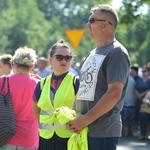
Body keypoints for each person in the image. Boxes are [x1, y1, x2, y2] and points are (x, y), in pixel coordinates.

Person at [66, 4, 130, 150]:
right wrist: (74, 116)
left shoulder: (117, 52)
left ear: (105, 25)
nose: (88, 24)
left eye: (92, 20)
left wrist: (84, 120)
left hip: (103, 132)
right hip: (84, 129)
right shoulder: (92, 53)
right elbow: (83, 88)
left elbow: (114, 93)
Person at [32, 39, 79, 150]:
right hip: (45, 138)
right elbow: (35, 111)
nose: (64, 60)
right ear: (50, 60)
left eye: (68, 58)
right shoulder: (41, 84)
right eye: (59, 57)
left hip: (68, 137)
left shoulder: (76, 82)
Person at [0, 47, 39, 150]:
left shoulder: (2, 81)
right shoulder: (39, 84)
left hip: (5, 135)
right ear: (32, 67)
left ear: (13, 63)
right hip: (30, 138)